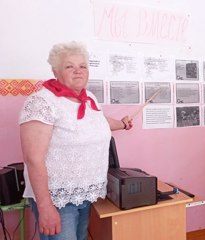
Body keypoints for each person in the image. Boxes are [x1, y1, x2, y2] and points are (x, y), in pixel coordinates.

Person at [19, 41, 133, 239]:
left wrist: (122, 124)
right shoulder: (42, 102)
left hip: (84, 194)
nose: (78, 71)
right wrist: (45, 206)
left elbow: (97, 121)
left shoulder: (87, 98)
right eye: (69, 66)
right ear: (56, 71)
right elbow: (33, 159)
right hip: (57, 199)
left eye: (83, 66)